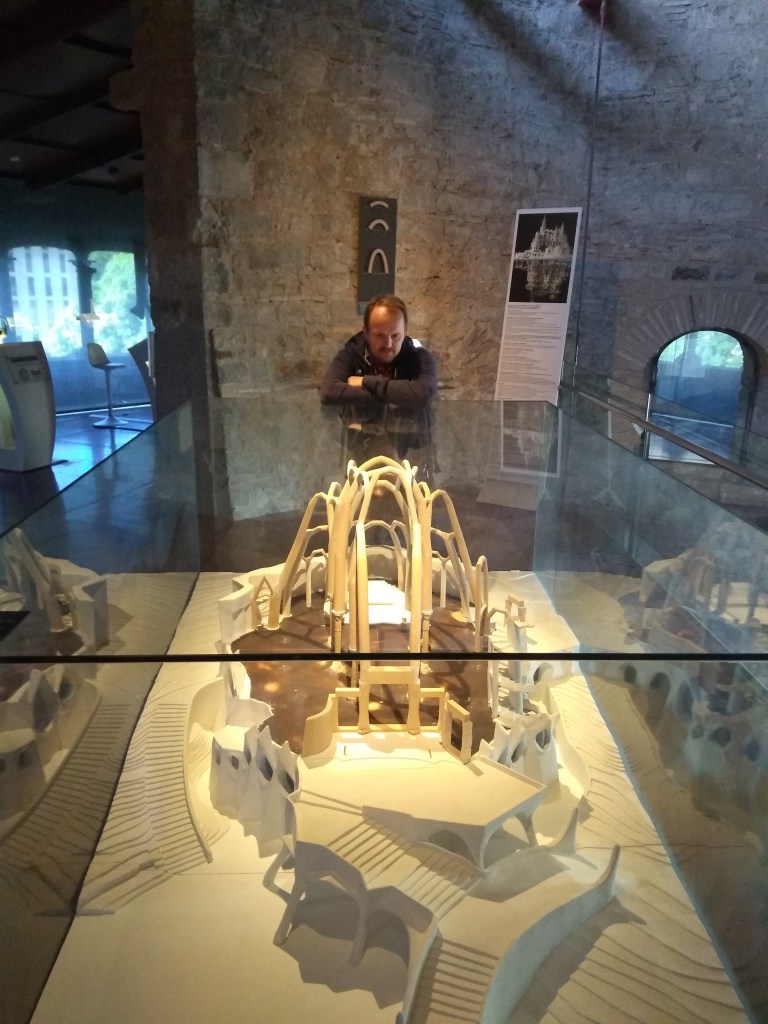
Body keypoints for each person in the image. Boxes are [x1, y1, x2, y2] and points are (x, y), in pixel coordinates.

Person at [320, 294, 437, 407]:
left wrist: (366, 382)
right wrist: (398, 396)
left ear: (405, 332)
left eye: (395, 336)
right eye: (380, 335)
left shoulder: (420, 357)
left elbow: (425, 393)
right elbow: (329, 392)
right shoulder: (351, 354)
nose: (388, 344)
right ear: (366, 333)